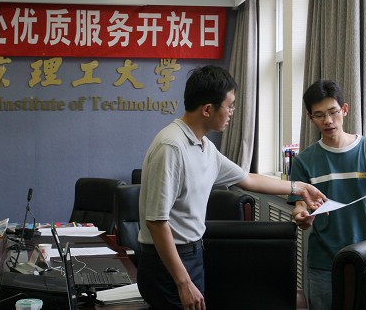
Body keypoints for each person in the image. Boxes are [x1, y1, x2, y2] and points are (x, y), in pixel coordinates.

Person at [136, 65, 326, 310]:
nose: (232, 113)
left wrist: (299, 187)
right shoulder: (171, 147)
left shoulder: (204, 147)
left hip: (193, 253)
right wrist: (183, 282)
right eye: (230, 106)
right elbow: (156, 221)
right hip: (167, 261)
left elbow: (247, 179)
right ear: (207, 109)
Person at [288, 79, 366, 310]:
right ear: (311, 118)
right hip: (323, 261)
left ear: (345, 109)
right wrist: (301, 216)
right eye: (319, 115)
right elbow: (299, 205)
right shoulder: (304, 161)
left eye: (333, 112)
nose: (328, 121)